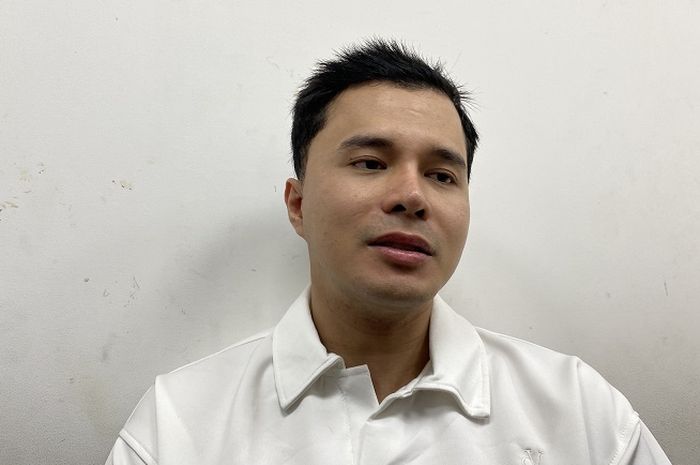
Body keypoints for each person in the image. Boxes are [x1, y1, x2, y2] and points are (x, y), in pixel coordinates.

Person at [106, 39, 672, 465]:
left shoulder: (579, 411)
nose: (411, 196)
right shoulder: (180, 425)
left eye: (442, 175)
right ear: (298, 205)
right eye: (371, 163)